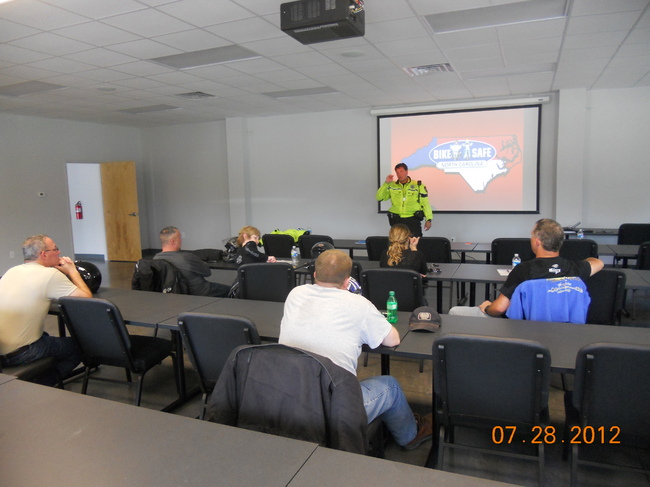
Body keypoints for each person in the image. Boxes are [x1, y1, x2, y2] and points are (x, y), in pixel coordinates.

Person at [279, 249, 433, 450]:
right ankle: (410, 436)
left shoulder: (295, 294)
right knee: (391, 386)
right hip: (333, 410)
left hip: (287, 397)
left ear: (315, 274)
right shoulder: (358, 304)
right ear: (347, 282)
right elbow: (393, 339)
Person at [449, 218, 604, 318]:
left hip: (521, 328)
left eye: (532, 235)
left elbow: (499, 309)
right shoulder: (575, 269)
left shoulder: (523, 270)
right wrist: (584, 262)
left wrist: (488, 307)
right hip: (564, 328)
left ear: (537, 241)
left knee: (455, 312)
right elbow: (599, 263)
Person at [0, 234, 92, 385]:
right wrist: (72, 271)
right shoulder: (50, 274)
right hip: (21, 354)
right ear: (44, 254)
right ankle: (46, 383)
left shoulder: (12, 271)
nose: (59, 252)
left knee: (46, 337)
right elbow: (86, 298)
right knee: (79, 347)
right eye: (55, 249)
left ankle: (41, 374)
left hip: (2, 352)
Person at [154, 226, 230, 297]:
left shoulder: (156, 259)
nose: (181, 240)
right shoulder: (187, 257)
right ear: (172, 241)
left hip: (177, 294)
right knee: (231, 290)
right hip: (201, 291)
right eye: (179, 237)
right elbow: (207, 272)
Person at [376, 162, 433, 237]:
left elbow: (425, 203)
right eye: (397, 172)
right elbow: (379, 197)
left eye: (401, 171)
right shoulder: (392, 185)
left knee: (414, 242)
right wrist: (386, 184)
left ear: (406, 172)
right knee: (397, 242)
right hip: (396, 220)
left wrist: (428, 219)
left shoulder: (418, 185)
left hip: (412, 220)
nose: (399, 174)